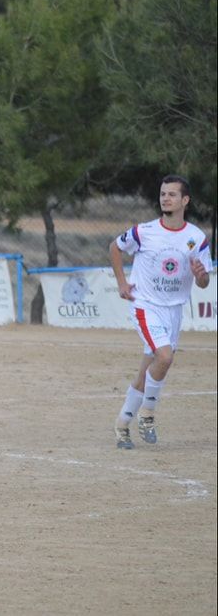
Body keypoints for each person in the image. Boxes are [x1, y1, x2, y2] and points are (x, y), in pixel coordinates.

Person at [109, 174, 212, 449]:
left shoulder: (196, 238)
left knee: (149, 369)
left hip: (174, 311)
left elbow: (204, 282)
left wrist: (201, 275)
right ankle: (148, 414)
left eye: (172, 194)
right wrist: (121, 282)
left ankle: (122, 424)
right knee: (164, 357)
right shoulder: (144, 231)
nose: (165, 197)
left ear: (185, 200)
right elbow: (115, 248)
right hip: (146, 305)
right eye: (163, 193)